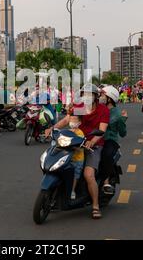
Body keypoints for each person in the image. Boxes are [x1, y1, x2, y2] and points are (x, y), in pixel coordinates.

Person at [45, 85, 109, 219]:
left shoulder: (103, 110)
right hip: (74, 142)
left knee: (88, 174)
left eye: (89, 94)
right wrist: (52, 128)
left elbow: (102, 130)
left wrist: (93, 141)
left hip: (92, 145)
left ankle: (95, 206)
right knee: (60, 165)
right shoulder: (78, 106)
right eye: (84, 94)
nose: (86, 96)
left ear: (95, 96)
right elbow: (67, 120)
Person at [98, 86, 128, 195]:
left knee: (105, 155)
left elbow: (123, 133)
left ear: (109, 99)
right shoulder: (98, 109)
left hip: (110, 140)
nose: (100, 97)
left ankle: (106, 182)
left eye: (102, 95)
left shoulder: (118, 114)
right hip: (96, 138)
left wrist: (123, 120)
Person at [69, 115, 85, 200]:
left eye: (75, 120)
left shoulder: (80, 133)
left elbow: (80, 145)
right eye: (71, 119)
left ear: (79, 123)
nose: (72, 122)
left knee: (75, 175)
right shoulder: (67, 131)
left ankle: (72, 190)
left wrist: (74, 147)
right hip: (69, 158)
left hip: (77, 159)